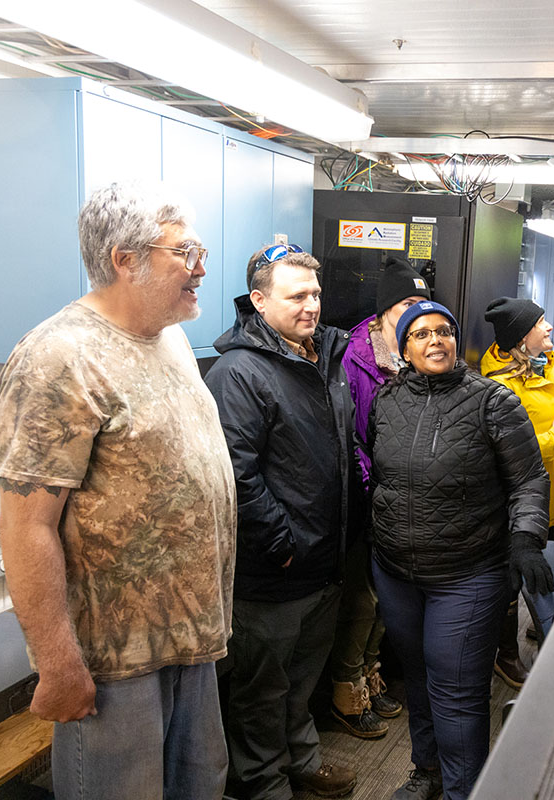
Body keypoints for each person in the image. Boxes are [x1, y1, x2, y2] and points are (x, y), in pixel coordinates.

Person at [0, 182, 236, 800]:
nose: (201, 266)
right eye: (184, 251)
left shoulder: (173, 338)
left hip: (191, 639)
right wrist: (57, 663)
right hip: (113, 661)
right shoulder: (60, 356)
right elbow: (27, 526)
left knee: (201, 787)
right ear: (125, 259)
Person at [369, 301, 552, 800]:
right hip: (396, 572)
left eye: (444, 332)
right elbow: (380, 472)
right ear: (403, 348)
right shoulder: (386, 401)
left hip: (466, 575)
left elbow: (529, 479)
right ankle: (427, 772)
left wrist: (525, 538)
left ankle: (463, 791)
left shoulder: (493, 402)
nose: (435, 341)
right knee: (420, 683)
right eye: (422, 334)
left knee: (457, 694)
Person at [204, 245, 357, 800]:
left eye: (316, 294)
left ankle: (302, 760)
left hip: (323, 559)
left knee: (301, 680)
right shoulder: (239, 372)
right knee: (262, 689)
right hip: (274, 567)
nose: (312, 306)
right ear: (260, 301)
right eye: (297, 297)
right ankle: (262, 781)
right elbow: (235, 472)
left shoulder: (323, 360)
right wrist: (280, 541)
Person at [329, 257, 428, 738]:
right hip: (368, 492)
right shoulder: (355, 357)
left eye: (422, 302)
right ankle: (346, 689)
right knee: (363, 597)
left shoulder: (416, 349)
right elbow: (349, 433)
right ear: (386, 309)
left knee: (389, 599)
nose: (416, 311)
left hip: (405, 497)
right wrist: (375, 483)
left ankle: (370, 671)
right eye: (407, 302)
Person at [481, 297, 554, 549]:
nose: (550, 326)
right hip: (526, 504)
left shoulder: (553, 368)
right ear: (521, 338)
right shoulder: (500, 387)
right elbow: (502, 453)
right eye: (540, 322)